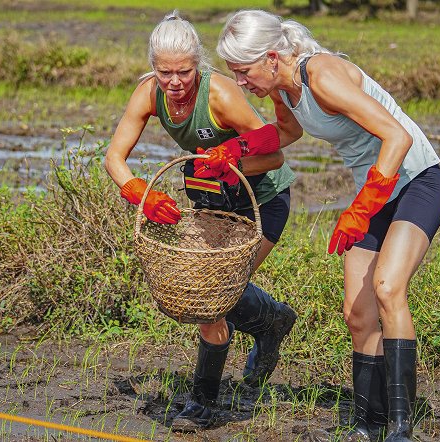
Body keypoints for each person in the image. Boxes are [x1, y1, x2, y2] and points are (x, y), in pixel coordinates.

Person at [203, 9, 440, 442]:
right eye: (234, 74)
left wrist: (363, 205)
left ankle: (401, 429)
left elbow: (398, 137)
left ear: (272, 58)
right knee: (357, 314)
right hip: (373, 192)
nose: (241, 83)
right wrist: (235, 151)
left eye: (243, 72)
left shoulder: (323, 75)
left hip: (415, 182)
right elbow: (286, 132)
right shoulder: (284, 89)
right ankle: (366, 425)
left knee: (388, 288)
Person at [103, 11, 303, 432]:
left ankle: (203, 403)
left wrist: (232, 162)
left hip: (261, 199)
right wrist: (138, 191)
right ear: (153, 67)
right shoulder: (148, 94)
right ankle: (274, 322)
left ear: (199, 64)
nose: (174, 83)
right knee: (211, 292)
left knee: (212, 297)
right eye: (164, 72)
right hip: (213, 201)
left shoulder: (221, 96)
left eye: (184, 72)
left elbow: (273, 152)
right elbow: (114, 158)